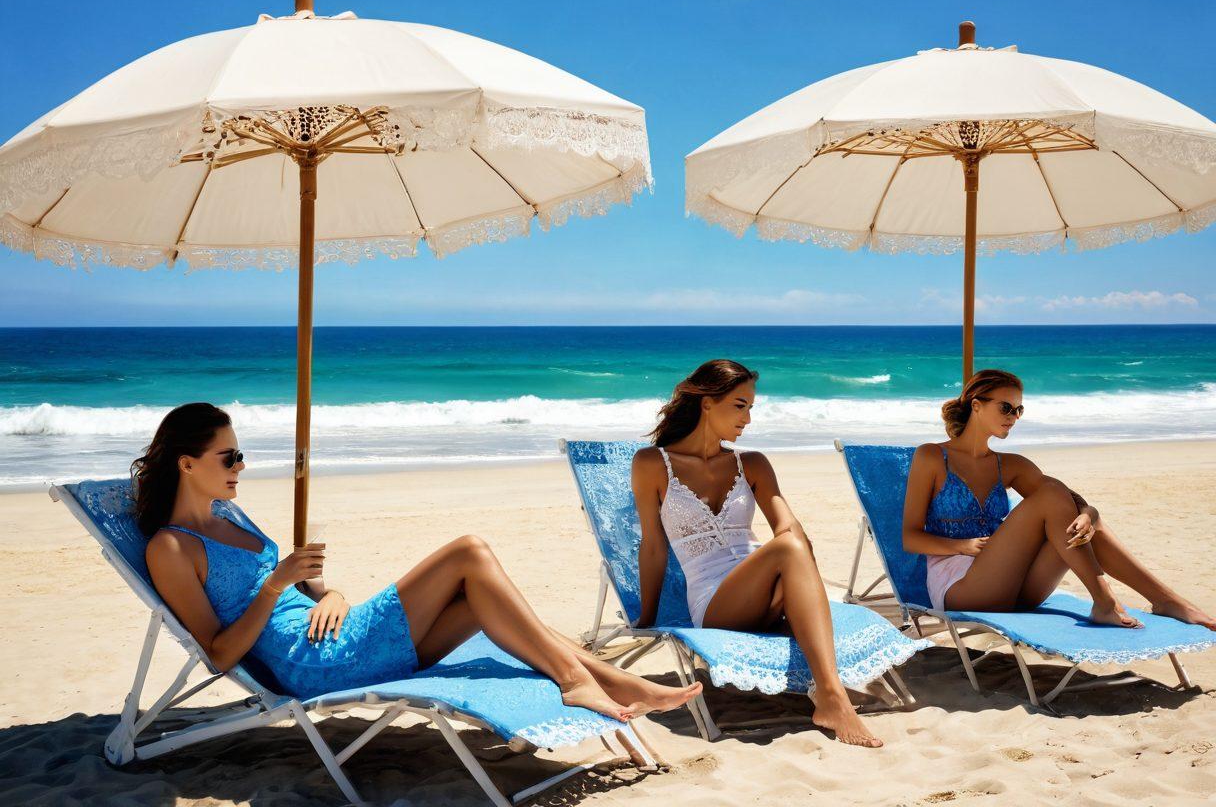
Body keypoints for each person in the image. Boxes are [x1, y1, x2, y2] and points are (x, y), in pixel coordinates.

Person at [137, 402, 701, 718]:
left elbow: (297, 590)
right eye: (230, 455)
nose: (241, 465)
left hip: (331, 634)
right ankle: (582, 677)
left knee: (479, 599)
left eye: (242, 453)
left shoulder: (229, 517)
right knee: (469, 552)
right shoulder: (171, 547)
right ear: (187, 464)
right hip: (313, 665)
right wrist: (272, 587)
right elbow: (217, 654)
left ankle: (608, 681)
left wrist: (328, 593)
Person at [632, 360, 883, 748]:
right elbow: (652, 546)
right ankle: (833, 697)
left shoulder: (751, 463)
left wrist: (796, 563)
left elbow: (790, 526)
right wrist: (648, 618)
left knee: (790, 541)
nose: (748, 418)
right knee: (787, 545)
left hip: (769, 591)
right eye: (739, 405)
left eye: (751, 407)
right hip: (716, 602)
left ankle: (829, 693)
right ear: (707, 403)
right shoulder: (652, 463)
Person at [902, 368, 1216, 631]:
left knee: (1079, 518)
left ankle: (1165, 600)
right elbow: (910, 537)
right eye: (1006, 408)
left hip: (1017, 587)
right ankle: (1104, 600)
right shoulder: (932, 456)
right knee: (1051, 496)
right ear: (977, 405)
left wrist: (1089, 515)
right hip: (962, 586)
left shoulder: (1011, 465)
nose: (1014, 417)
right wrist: (960, 546)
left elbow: (1067, 499)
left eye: (1019, 410)